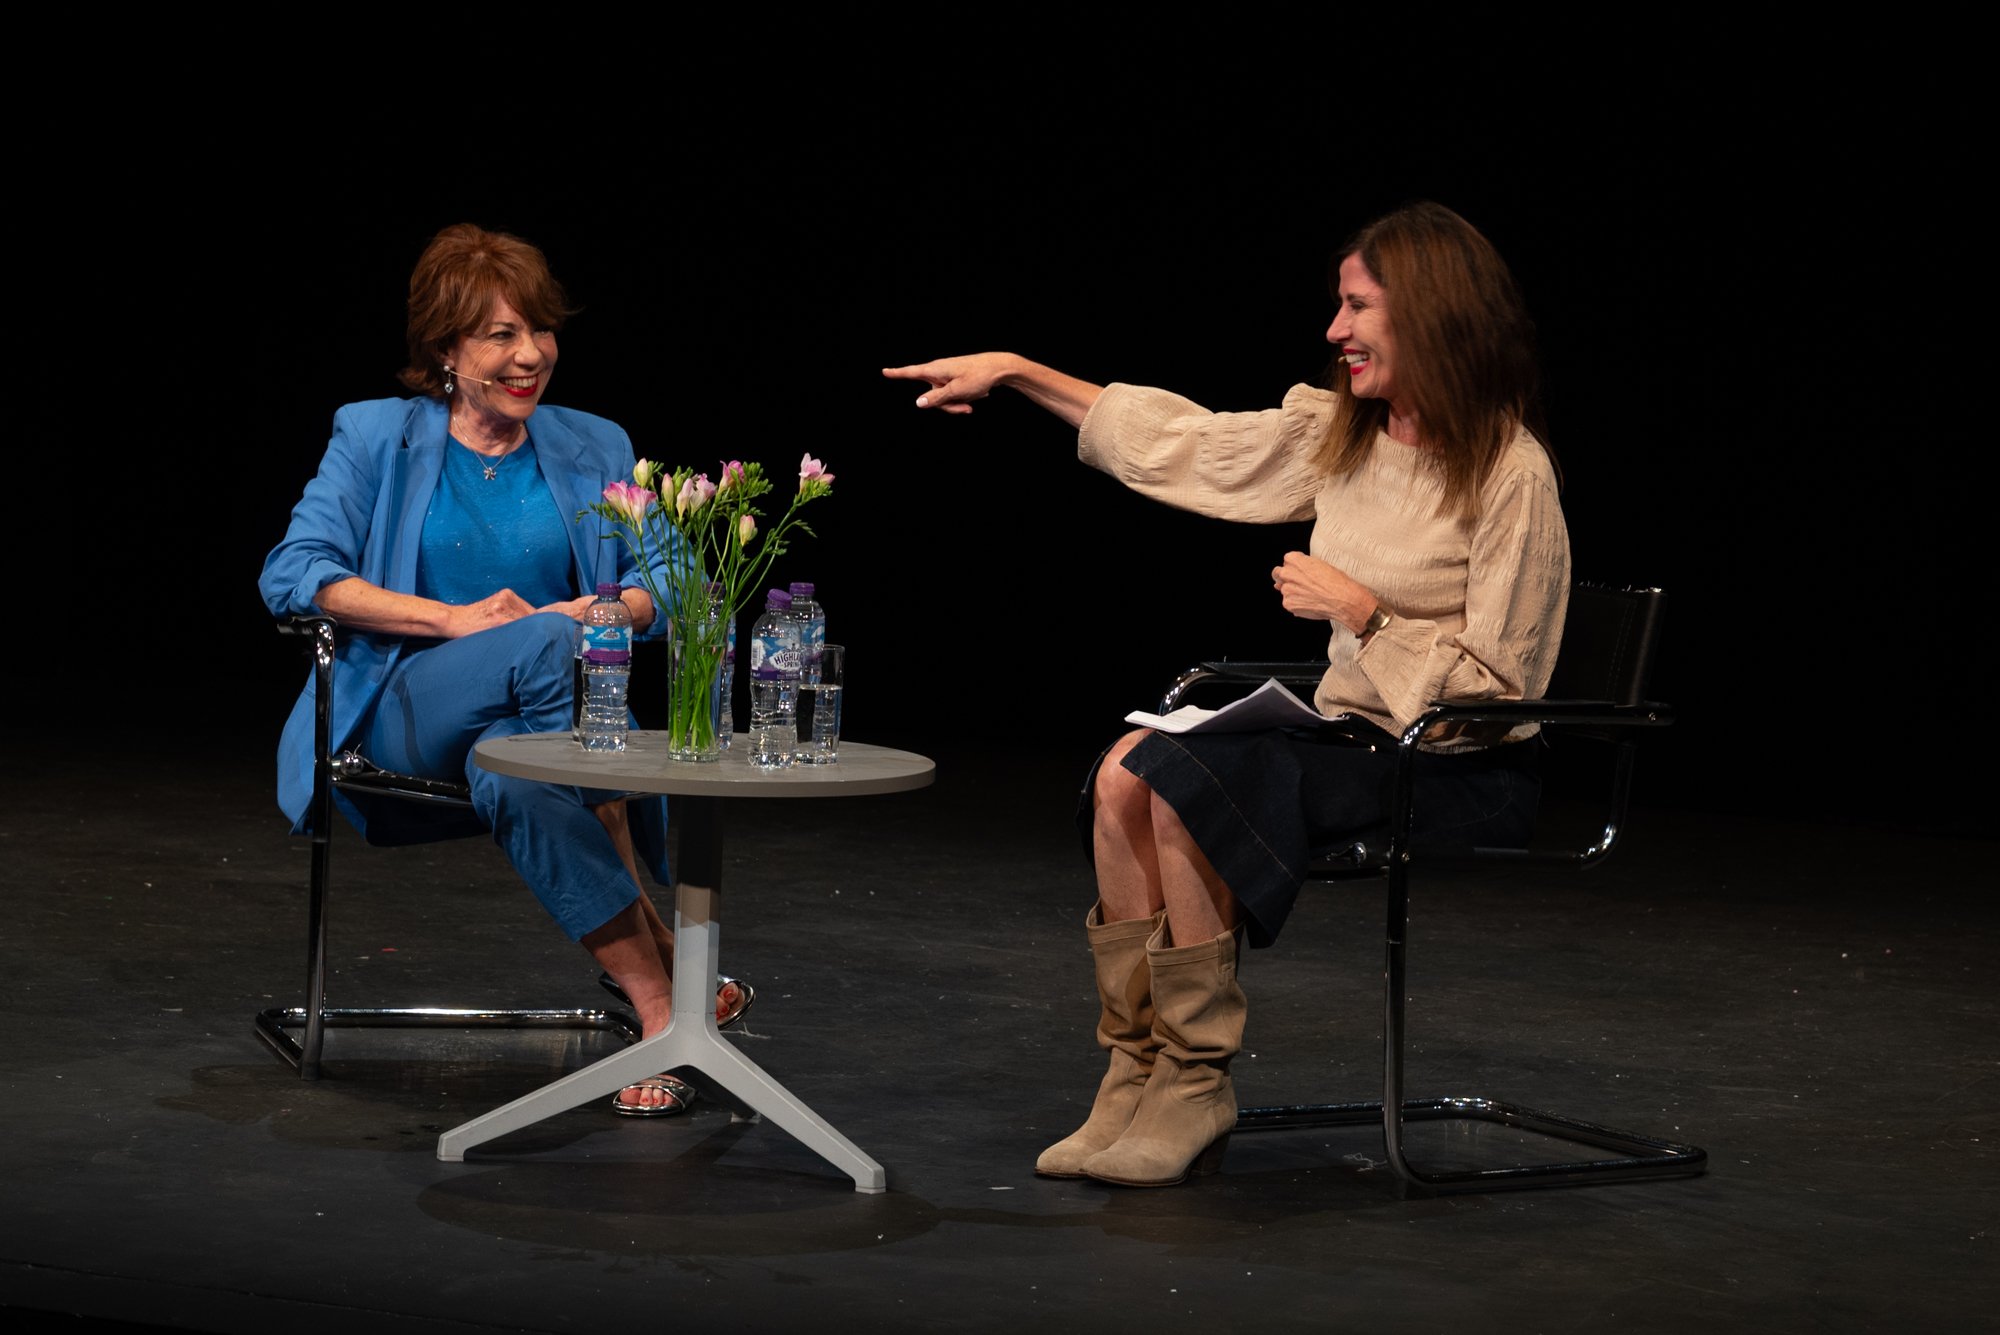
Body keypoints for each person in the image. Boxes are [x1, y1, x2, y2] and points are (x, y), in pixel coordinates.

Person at [883, 201, 1570, 1186]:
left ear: (1430, 313)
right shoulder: (1346, 436)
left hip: (1455, 765)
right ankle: (1135, 1067)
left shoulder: (1511, 475)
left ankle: (1196, 1079)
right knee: (1128, 767)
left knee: (1183, 780)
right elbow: (1187, 445)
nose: (1334, 331)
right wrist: (1021, 374)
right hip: (1348, 734)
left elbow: (1498, 694)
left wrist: (1366, 615)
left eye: (1356, 306)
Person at [261, 223, 749, 1117]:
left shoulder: (591, 443)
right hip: (404, 704)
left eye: (541, 331)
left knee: (516, 773)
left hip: (533, 726)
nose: (532, 355)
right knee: (541, 646)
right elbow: (292, 571)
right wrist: (456, 618)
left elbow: (675, 578)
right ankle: (683, 973)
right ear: (445, 348)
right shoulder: (377, 436)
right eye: (501, 335)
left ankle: (656, 1015)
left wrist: (600, 613)